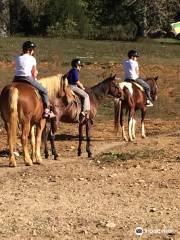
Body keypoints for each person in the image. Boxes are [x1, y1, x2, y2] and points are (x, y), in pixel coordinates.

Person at [13, 40, 55, 118]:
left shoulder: (18, 57)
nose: (33, 51)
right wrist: (35, 76)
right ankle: (47, 110)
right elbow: (33, 72)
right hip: (27, 78)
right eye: (32, 49)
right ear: (29, 50)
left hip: (16, 78)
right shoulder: (32, 58)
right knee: (44, 91)